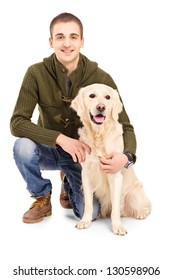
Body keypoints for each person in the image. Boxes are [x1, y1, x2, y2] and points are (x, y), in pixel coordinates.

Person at [10, 12, 137, 223]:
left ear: (82, 41)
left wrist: (127, 158)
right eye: (60, 37)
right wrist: (60, 138)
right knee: (22, 147)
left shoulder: (102, 78)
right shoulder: (35, 73)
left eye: (73, 37)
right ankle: (41, 197)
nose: (67, 43)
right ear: (51, 41)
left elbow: (126, 126)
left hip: (83, 158)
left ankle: (68, 181)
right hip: (49, 150)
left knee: (91, 214)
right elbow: (17, 123)